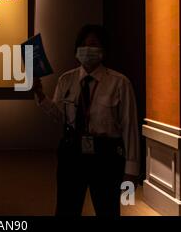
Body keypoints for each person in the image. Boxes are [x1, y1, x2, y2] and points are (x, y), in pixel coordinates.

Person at [34, 24, 140, 217]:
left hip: (106, 156)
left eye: (93, 44)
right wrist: (41, 95)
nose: (87, 49)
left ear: (103, 50)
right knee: (66, 207)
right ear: (76, 50)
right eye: (83, 45)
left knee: (107, 208)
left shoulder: (119, 83)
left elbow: (129, 128)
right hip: (72, 153)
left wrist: (131, 171)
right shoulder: (66, 80)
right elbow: (60, 116)